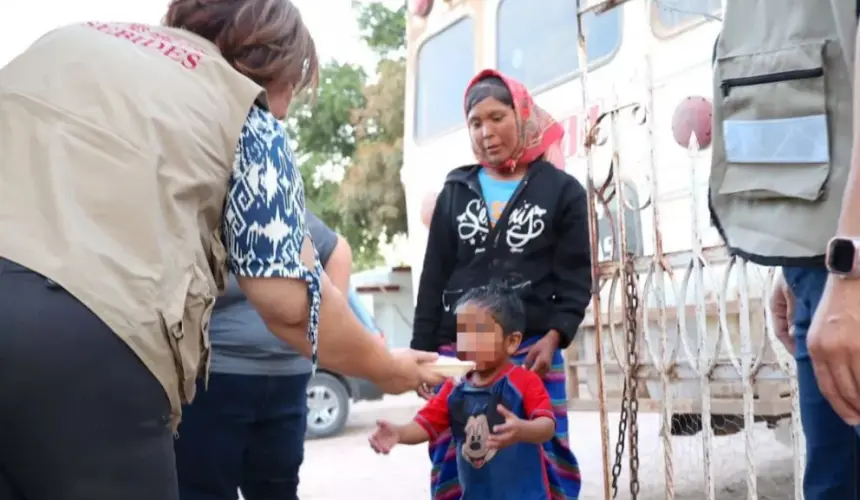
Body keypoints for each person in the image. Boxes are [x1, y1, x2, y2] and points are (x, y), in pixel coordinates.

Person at [0, 1, 443, 499]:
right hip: (93, 348)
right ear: (272, 64)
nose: (285, 109)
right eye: (290, 88)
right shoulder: (241, 109)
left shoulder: (63, 45)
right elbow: (289, 303)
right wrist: (388, 368)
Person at [410, 69, 590, 499]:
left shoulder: (561, 191)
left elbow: (576, 276)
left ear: (521, 114)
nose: (486, 133)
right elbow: (434, 274)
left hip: (529, 349)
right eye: (476, 123)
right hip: (461, 353)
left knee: (543, 446)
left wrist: (555, 336)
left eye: (497, 117)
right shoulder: (455, 189)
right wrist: (423, 352)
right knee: (454, 448)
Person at [709, 1, 859, 498]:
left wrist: (848, 264)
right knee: (833, 482)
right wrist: (797, 255)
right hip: (819, 265)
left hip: (846, 270)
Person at [173, 210, 352, 500]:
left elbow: (337, 249)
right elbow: (337, 248)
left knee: (210, 490)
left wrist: (323, 328)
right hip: (247, 372)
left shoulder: (241, 190)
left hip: (228, 376)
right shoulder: (264, 191)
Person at [372, 284, 581, 499]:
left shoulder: (524, 381)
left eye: (479, 332)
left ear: (512, 342)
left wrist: (522, 429)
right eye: (462, 332)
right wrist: (399, 432)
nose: (468, 341)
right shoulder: (456, 386)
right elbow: (427, 424)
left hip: (526, 494)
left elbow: (547, 426)